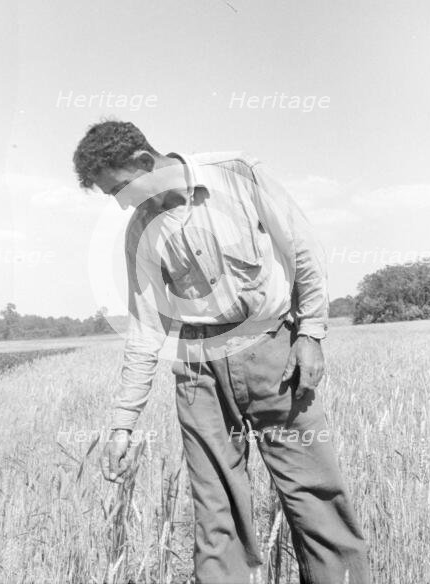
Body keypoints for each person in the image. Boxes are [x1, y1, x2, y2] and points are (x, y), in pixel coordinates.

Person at [73, 120, 369, 584]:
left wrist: (310, 333)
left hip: (273, 353)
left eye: (120, 188)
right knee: (216, 513)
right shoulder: (140, 232)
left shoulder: (239, 174)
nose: (120, 202)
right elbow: (146, 329)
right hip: (198, 371)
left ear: (144, 162)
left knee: (315, 498)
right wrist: (122, 423)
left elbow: (304, 251)